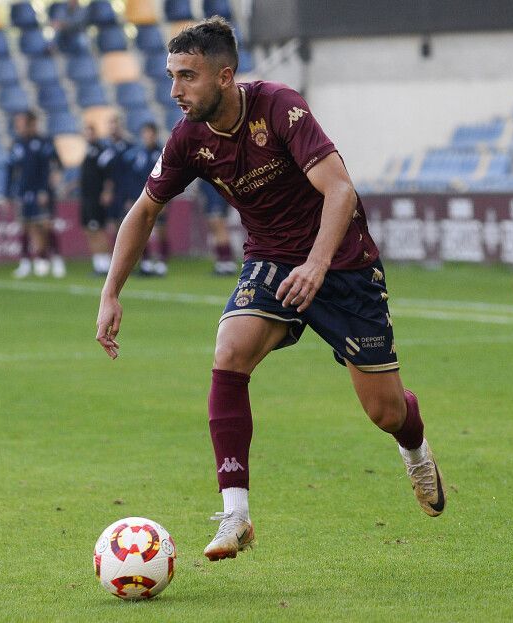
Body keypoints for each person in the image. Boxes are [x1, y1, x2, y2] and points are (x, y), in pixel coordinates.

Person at [95, 17, 445, 562]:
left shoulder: (281, 107)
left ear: (225, 75)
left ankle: (414, 443)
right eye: (171, 77)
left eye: (187, 77)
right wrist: (111, 292)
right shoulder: (189, 138)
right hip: (272, 262)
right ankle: (235, 515)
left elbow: (341, 191)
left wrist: (317, 264)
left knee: (384, 411)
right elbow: (143, 211)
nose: (175, 92)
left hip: (343, 263)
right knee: (229, 353)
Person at [4, 110, 66, 278]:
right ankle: (26, 262)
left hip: (42, 191)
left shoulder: (44, 142)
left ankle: (56, 260)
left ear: (32, 123)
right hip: (24, 192)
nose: (18, 126)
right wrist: (7, 194)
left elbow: (57, 164)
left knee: (45, 226)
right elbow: (10, 170)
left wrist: (48, 186)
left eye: (21, 123)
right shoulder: (17, 144)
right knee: (25, 227)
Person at [121, 122, 168, 276]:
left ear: (155, 135)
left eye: (150, 133)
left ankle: (161, 261)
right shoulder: (137, 154)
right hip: (139, 198)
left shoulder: (163, 153)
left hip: (159, 198)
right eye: (145, 133)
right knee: (141, 230)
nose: (147, 137)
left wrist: (167, 199)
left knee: (159, 229)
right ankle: (146, 262)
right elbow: (131, 178)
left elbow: (169, 178)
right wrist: (130, 198)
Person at [79, 124, 115, 275]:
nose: (89, 136)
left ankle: (107, 265)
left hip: (95, 197)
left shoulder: (102, 152)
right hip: (86, 197)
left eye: (91, 133)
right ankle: (98, 264)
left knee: (98, 230)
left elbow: (108, 174)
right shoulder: (88, 152)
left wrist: (107, 191)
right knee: (89, 230)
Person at [200, 179, 237, 275]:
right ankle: (221, 262)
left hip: (217, 182)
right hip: (208, 183)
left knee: (218, 222)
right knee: (213, 224)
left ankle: (227, 261)